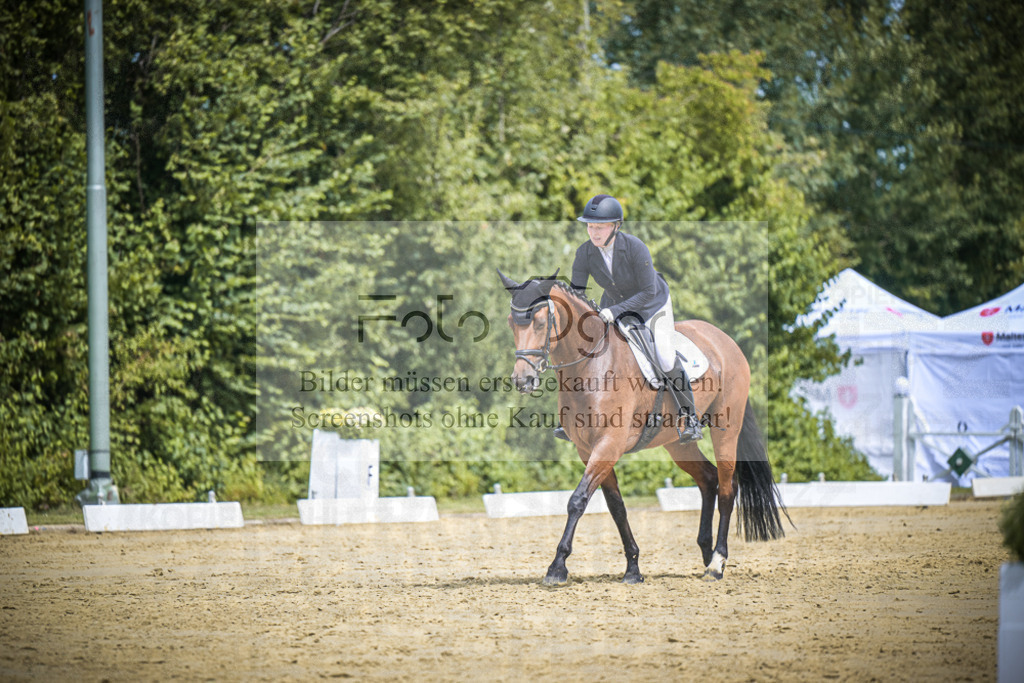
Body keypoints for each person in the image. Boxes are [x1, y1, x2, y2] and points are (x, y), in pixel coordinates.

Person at [559, 193, 702, 443]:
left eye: (599, 227)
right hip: (612, 305)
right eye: (590, 226)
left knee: (666, 356)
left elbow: (648, 291)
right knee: (584, 351)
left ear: (616, 226)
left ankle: (690, 418)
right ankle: (569, 418)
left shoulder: (635, 248)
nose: (593, 232)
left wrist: (613, 312)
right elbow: (576, 294)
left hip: (651, 305)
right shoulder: (584, 253)